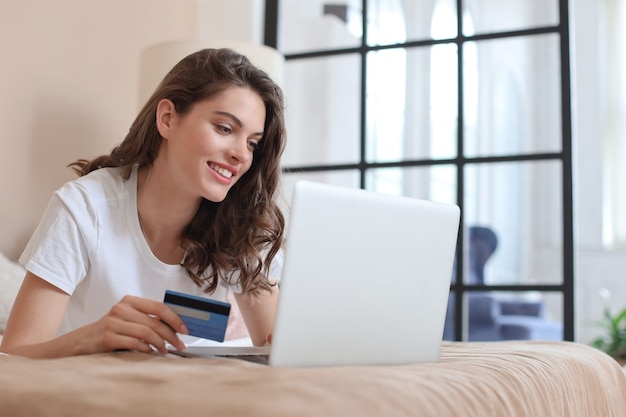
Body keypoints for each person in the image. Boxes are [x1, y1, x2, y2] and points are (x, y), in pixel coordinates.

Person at [0, 48, 286, 358]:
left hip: (195, 397)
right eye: (225, 128)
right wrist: (93, 337)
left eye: (252, 143)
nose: (241, 155)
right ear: (167, 119)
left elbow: (278, 348)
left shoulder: (237, 222)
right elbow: (15, 357)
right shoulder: (84, 208)